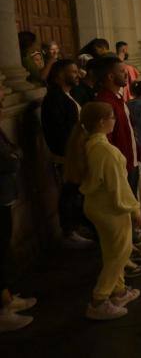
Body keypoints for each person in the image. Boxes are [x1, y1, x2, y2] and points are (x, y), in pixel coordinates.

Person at [64, 102, 141, 320]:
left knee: (111, 250)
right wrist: (135, 209)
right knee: (120, 254)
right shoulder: (105, 150)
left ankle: (119, 291)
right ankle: (99, 300)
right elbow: (117, 186)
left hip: (97, 205)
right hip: (110, 208)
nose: (114, 121)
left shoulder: (90, 144)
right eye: (112, 118)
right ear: (102, 122)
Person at [93, 57, 141, 258]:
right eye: (121, 71)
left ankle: (130, 245)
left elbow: (127, 129)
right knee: (122, 210)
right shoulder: (104, 102)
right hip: (120, 165)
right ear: (110, 75)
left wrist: (139, 151)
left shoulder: (116, 98)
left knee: (130, 203)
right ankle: (125, 252)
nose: (126, 74)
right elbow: (105, 138)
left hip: (130, 160)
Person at [41, 59, 94, 248]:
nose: (78, 74)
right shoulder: (55, 99)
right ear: (60, 75)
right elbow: (59, 131)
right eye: (73, 71)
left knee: (76, 192)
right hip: (67, 155)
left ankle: (79, 226)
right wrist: (72, 152)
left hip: (75, 153)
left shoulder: (67, 96)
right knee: (69, 193)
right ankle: (69, 231)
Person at [0, 88, 37, 332]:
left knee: (4, 248)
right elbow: (8, 158)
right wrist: (14, 156)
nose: (3, 95)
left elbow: (12, 151)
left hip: (5, 194)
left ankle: (7, 299)